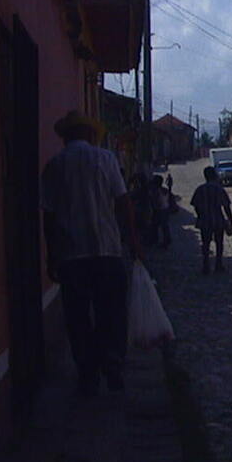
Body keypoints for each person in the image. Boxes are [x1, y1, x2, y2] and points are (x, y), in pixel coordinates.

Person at [41, 110, 142, 395]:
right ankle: (113, 363)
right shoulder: (105, 159)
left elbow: (48, 216)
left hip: (71, 255)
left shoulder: (53, 166)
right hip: (107, 250)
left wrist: (51, 255)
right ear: (89, 134)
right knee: (112, 311)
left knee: (77, 316)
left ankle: (87, 372)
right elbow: (123, 203)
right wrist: (133, 241)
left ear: (65, 137)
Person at [191, 166, 232, 274]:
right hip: (218, 220)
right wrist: (230, 221)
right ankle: (218, 264)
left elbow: (195, 205)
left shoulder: (200, 189)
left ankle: (206, 265)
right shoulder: (219, 189)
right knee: (219, 243)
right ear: (214, 175)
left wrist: (200, 214)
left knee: (205, 244)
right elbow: (226, 207)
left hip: (204, 221)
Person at [150, 174, 172, 248]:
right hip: (166, 209)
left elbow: (156, 201)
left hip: (159, 210)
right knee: (164, 226)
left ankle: (156, 240)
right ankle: (166, 240)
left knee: (155, 225)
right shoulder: (164, 190)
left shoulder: (156, 191)